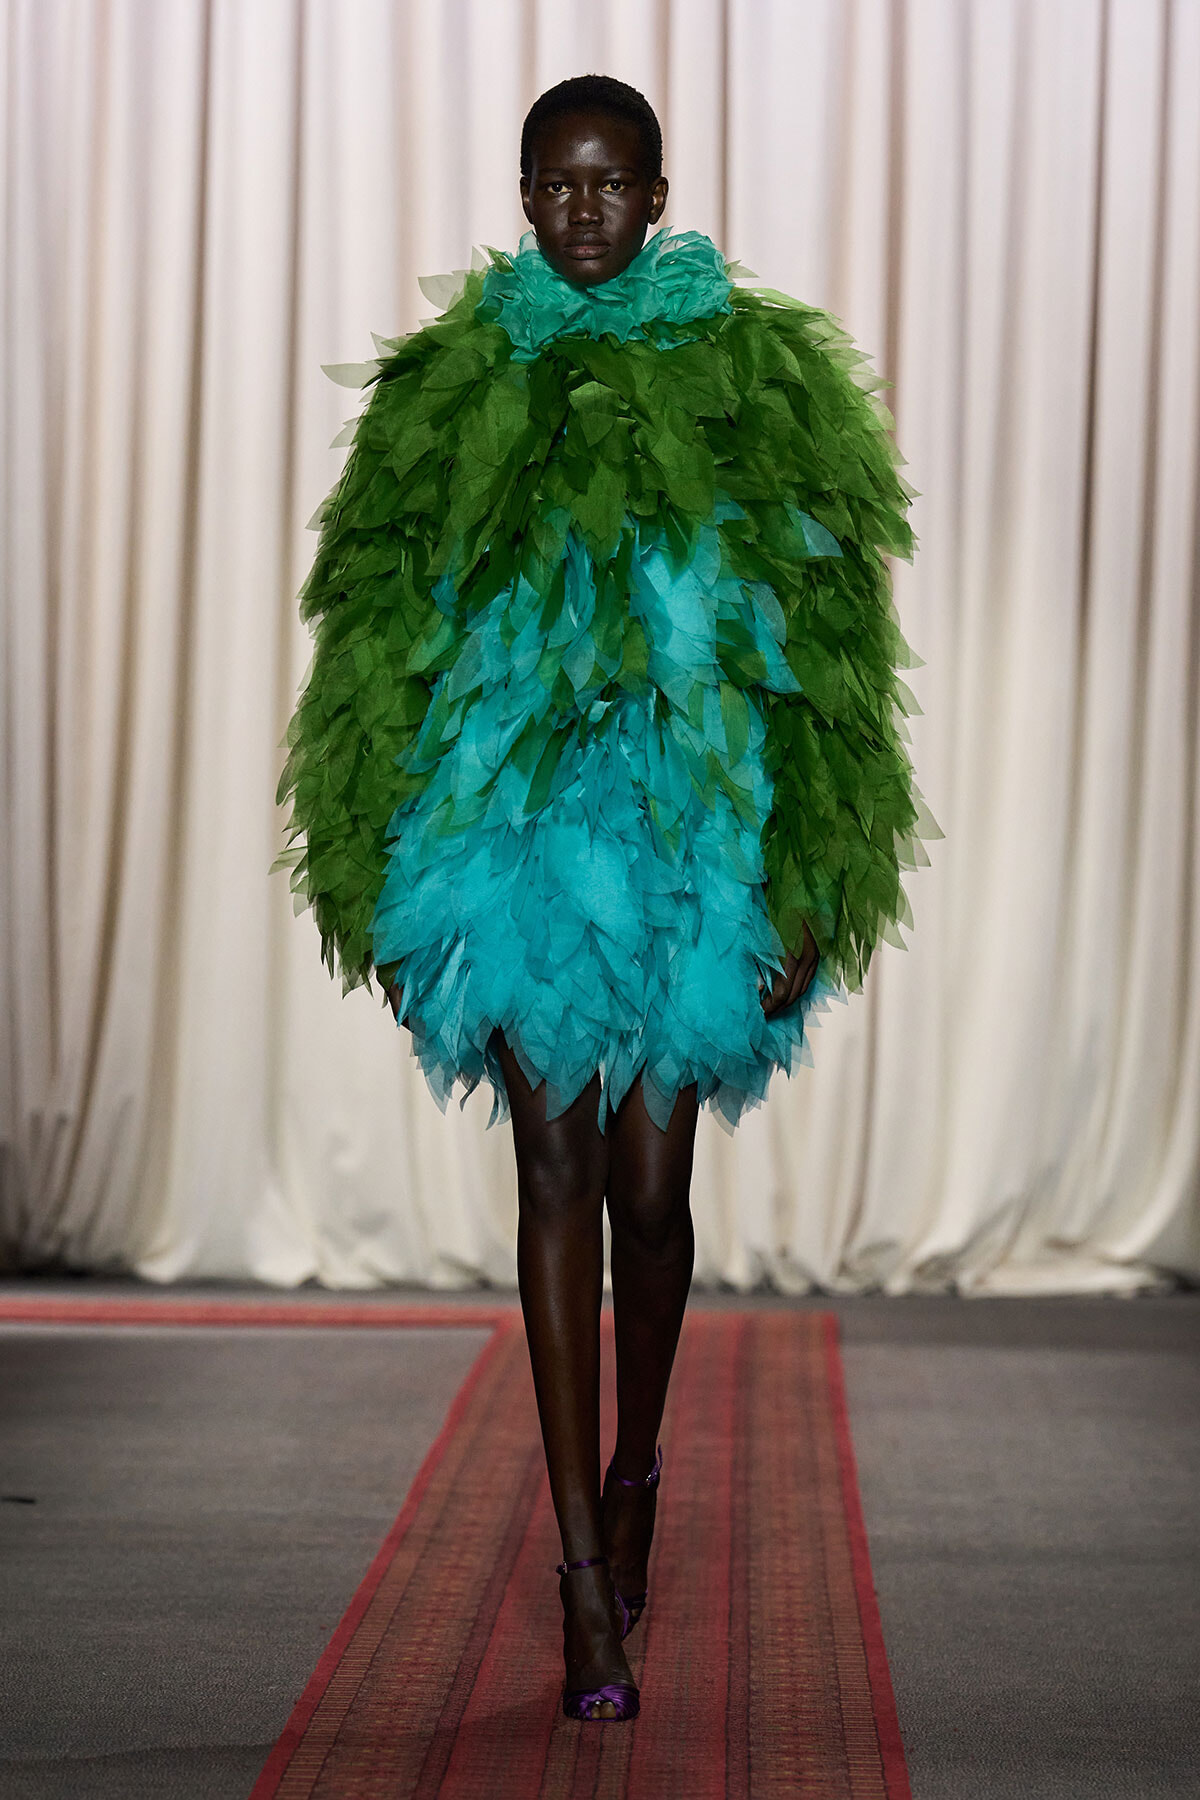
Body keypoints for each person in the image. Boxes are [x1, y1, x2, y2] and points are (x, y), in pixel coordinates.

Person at [279, 75, 922, 1722]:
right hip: (502, 837)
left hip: (691, 836)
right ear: (521, 195)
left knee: (652, 1191)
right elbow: (371, 641)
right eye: (557, 183)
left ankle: (638, 1471)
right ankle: (581, 1572)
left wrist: (814, 877)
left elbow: (829, 655)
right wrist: (375, 868)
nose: (584, 208)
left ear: (658, 194)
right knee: (555, 1171)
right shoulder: (445, 388)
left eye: (611, 182)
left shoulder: (758, 379)